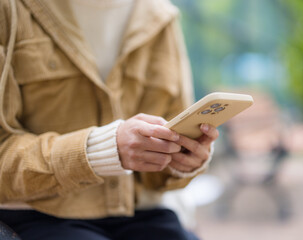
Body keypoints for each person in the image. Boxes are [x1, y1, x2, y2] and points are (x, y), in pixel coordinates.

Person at [0, 0, 219, 239]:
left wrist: (183, 160)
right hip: (38, 214)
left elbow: (160, 173)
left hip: (145, 215)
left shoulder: (160, 15)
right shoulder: (11, 8)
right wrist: (103, 150)